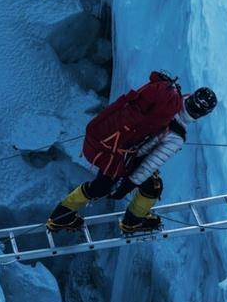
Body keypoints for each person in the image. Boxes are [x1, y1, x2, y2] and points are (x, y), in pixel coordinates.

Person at [47, 71, 217, 234]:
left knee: (101, 185)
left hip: (116, 143)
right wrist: (128, 185)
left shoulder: (169, 99)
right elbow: (150, 164)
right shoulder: (176, 136)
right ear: (202, 114)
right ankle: (132, 223)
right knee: (151, 187)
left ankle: (62, 215)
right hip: (125, 158)